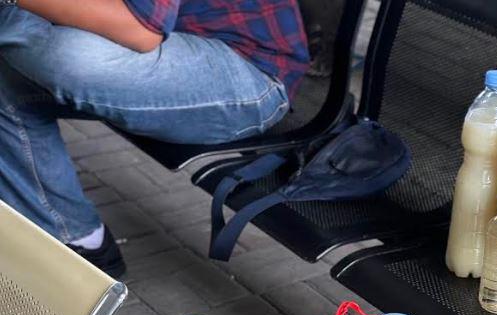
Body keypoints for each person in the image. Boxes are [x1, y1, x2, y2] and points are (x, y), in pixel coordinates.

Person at [0, 0, 310, 278]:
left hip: (248, 73)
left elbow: (141, 30)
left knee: (68, 55)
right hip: (173, 38)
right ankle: (77, 239)